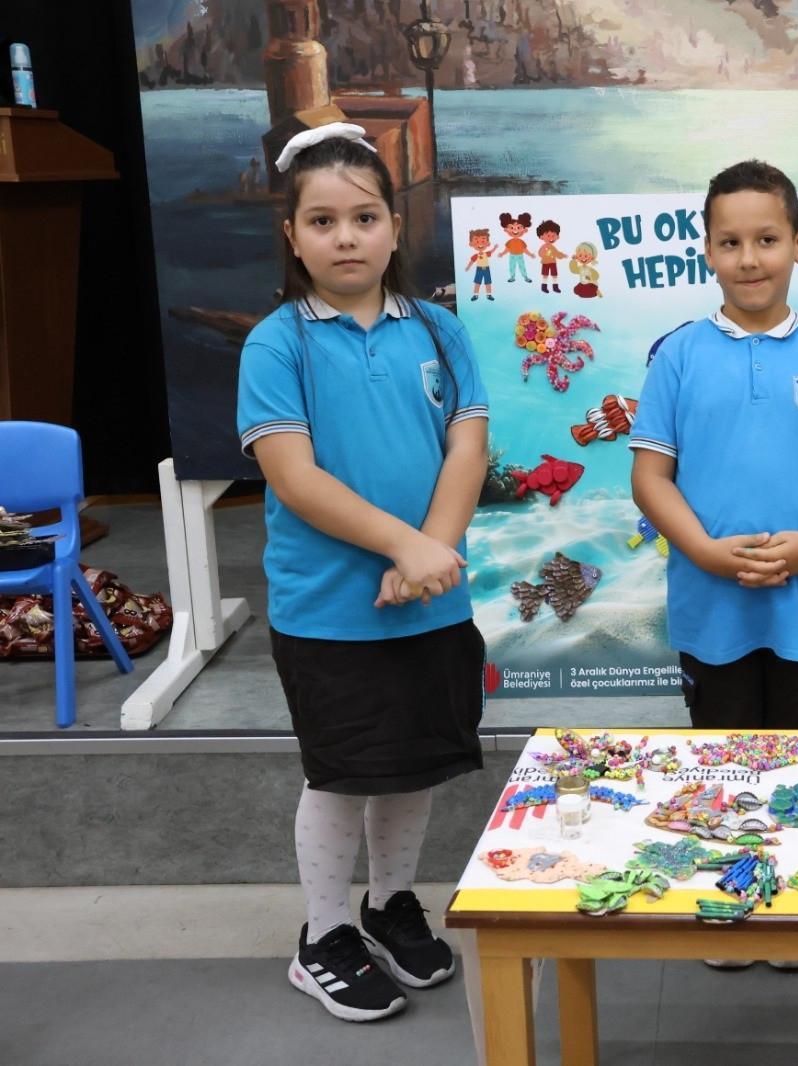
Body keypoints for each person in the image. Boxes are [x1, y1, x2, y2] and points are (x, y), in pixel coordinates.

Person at [239, 122, 491, 1023]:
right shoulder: (277, 345)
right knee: (342, 775)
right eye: (322, 221)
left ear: (394, 226)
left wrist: (431, 551)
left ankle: (389, 905)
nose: (345, 237)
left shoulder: (441, 331)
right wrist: (400, 547)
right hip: (330, 611)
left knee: (412, 767)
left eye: (364, 217)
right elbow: (295, 476)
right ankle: (324, 934)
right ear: (292, 235)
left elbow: (467, 446)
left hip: (429, 599)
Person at [630, 160, 798, 971]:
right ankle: (733, 902)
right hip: (713, 611)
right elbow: (650, 477)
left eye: (767, 239)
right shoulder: (678, 355)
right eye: (731, 242)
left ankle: (793, 911)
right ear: (707, 250)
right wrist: (705, 551)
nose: (750, 259)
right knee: (724, 757)